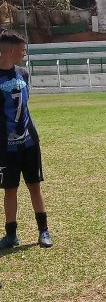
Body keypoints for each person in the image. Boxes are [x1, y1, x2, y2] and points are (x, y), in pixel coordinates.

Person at [0, 29, 53, 250]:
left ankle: (43, 231)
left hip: (29, 141)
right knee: (10, 189)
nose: (24, 54)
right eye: (22, 50)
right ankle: (11, 234)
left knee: (34, 186)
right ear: (10, 51)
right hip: (5, 146)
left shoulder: (23, 73)